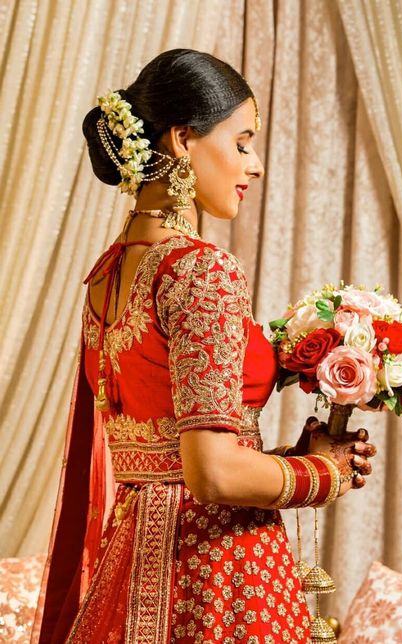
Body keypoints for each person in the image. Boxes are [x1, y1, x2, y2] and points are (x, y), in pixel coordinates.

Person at [32, 48, 377, 643]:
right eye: (241, 143)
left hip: (132, 560)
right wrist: (326, 473)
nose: (256, 164)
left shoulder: (107, 276)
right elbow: (211, 475)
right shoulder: (200, 270)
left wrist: (294, 457)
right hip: (219, 578)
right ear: (184, 140)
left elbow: (175, 449)